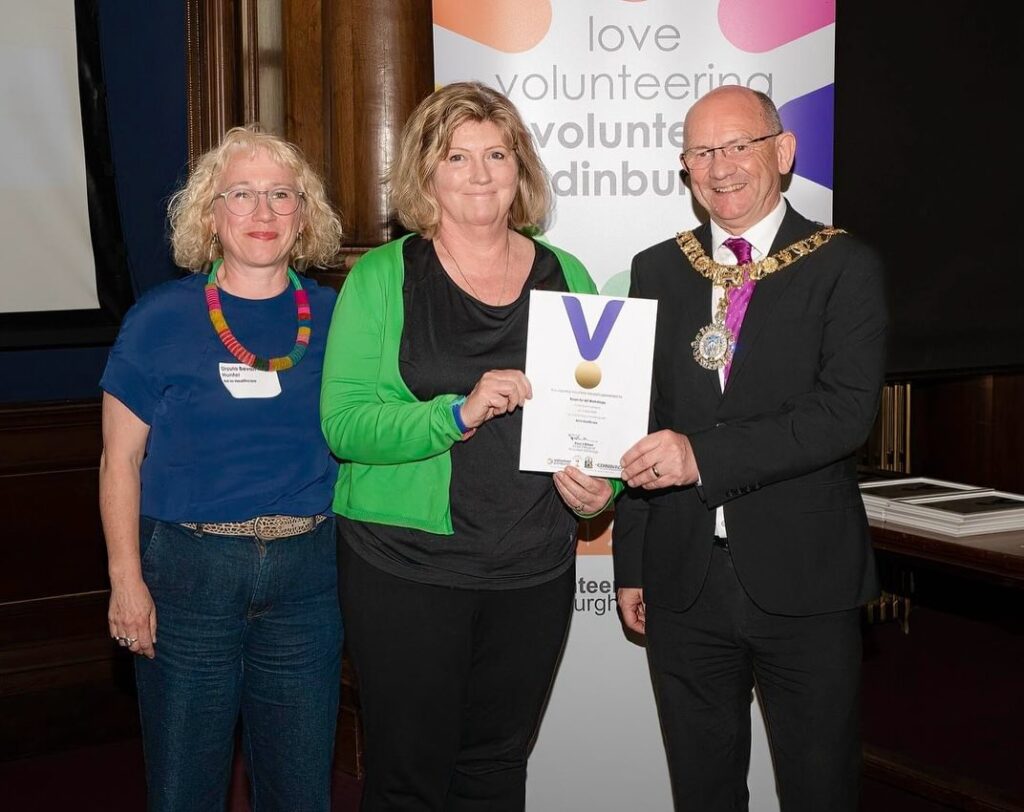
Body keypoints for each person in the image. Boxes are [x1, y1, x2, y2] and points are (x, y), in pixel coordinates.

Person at [320, 81, 620, 810]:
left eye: (497, 154)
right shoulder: (383, 277)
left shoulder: (567, 274)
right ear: (428, 173)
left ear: (521, 169)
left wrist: (600, 489)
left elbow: (597, 420)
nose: (481, 173)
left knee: (495, 770)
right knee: (408, 777)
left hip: (531, 567)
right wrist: (453, 414)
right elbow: (345, 423)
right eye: (458, 156)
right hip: (406, 567)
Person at [613, 85, 887, 811]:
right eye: (702, 151)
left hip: (807, 580)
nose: (721, 165)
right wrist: (633, 562)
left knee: (819, 786)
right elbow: (645, 419)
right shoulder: (658, 269)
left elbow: (843, 415)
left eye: (739, 145)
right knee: (702, 790)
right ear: (685, 166)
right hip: (682, 579)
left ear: (783, 152)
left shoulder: (843, 266)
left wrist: (703, 456)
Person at [99, 125, 344, 811]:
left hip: (308, 582)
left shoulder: (338, 318)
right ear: (211, 213)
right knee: (185, 791)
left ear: (304, 216)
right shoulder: (159, 320)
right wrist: (125, 582)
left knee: (300, 792)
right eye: (242, 194)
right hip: (189, 580)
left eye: (280, 195)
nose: (263, 213)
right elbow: (119, 460)